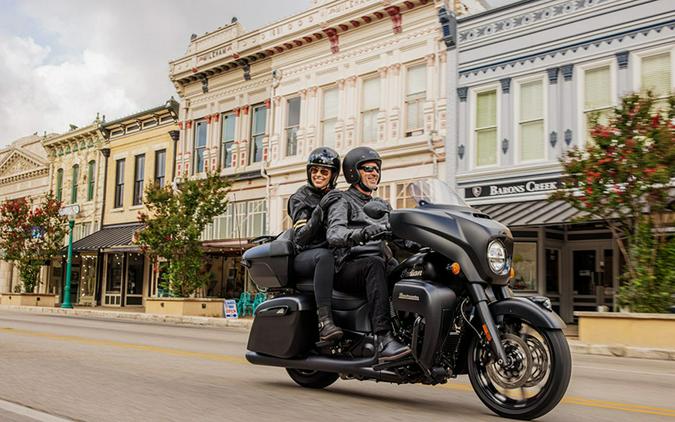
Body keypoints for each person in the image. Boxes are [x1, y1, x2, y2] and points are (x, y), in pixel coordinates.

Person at [325, 146, 411, 362]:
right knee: (375, 264)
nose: (374, 173)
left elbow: (400, 236)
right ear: (354, 173)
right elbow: (334, 234)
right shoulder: (342, 200)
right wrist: (363, 233)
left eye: (377, 169)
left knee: (414, 269)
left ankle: (411, 333)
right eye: (368, 169)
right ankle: (383, 338)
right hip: (348, 268)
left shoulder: (381, 205)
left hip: (378, 264)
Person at [287, 147, 343, 344]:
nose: (318, 175)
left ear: (333, 175)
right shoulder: (300, 197)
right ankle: (324, 322)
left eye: (324, 172)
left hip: (331, 252)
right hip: (306, 256)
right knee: (324, 256)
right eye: (315, 171)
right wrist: (319, 212)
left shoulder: (337, 196)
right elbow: (301, 237)